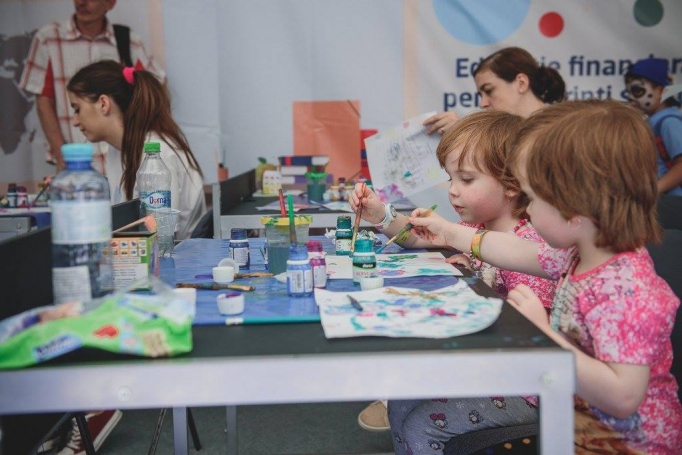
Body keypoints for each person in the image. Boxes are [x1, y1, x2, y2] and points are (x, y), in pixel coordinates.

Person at [400, 100, 682, 454]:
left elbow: (623, 397)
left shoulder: (627, 289)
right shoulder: (575, 254)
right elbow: (512, 249)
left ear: (575, 205)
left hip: (626, 446)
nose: (527, 208)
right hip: (577, 424)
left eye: (533, 198)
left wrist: (544, 334)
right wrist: (450, 232)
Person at [349, 110, 556, 432]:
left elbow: (526, 335)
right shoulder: (474, 228)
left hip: (523, 385)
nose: (453, 191)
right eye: (451, 178)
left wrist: (473, 287)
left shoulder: (528, 246)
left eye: (467, 179)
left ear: (512, 184)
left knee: (421, 425)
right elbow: (417, 237)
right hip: (485, 363)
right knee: (400, 403)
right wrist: (379, 214)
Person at [67, 60, 206, 240]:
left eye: (77, 109)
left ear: (103, 103)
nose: (75, 121)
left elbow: (161, 239)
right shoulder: (115, 151)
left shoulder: (156, 154)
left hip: (173, 255)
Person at [20, 0, 164, 168]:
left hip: (123, 159)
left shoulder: (127, 40)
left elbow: (152, 88)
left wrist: (139, 143)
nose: (82, 2)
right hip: (77, 161)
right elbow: (44, 101)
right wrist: (62, 157)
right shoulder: (49, 39)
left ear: (110, 3)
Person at [423, 46, 566, 135]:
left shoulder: (563, 131)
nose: (483, 103)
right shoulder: (500, 137)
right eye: (480, 95)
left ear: (521, 83)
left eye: (489, 90)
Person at [624, 57, 682, 196]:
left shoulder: (668, 122)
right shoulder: (653, 122)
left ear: (660, 91)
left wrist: (654, 190)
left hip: (673, 201)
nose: (631, 97)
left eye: (637, 90)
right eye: (628, 92)